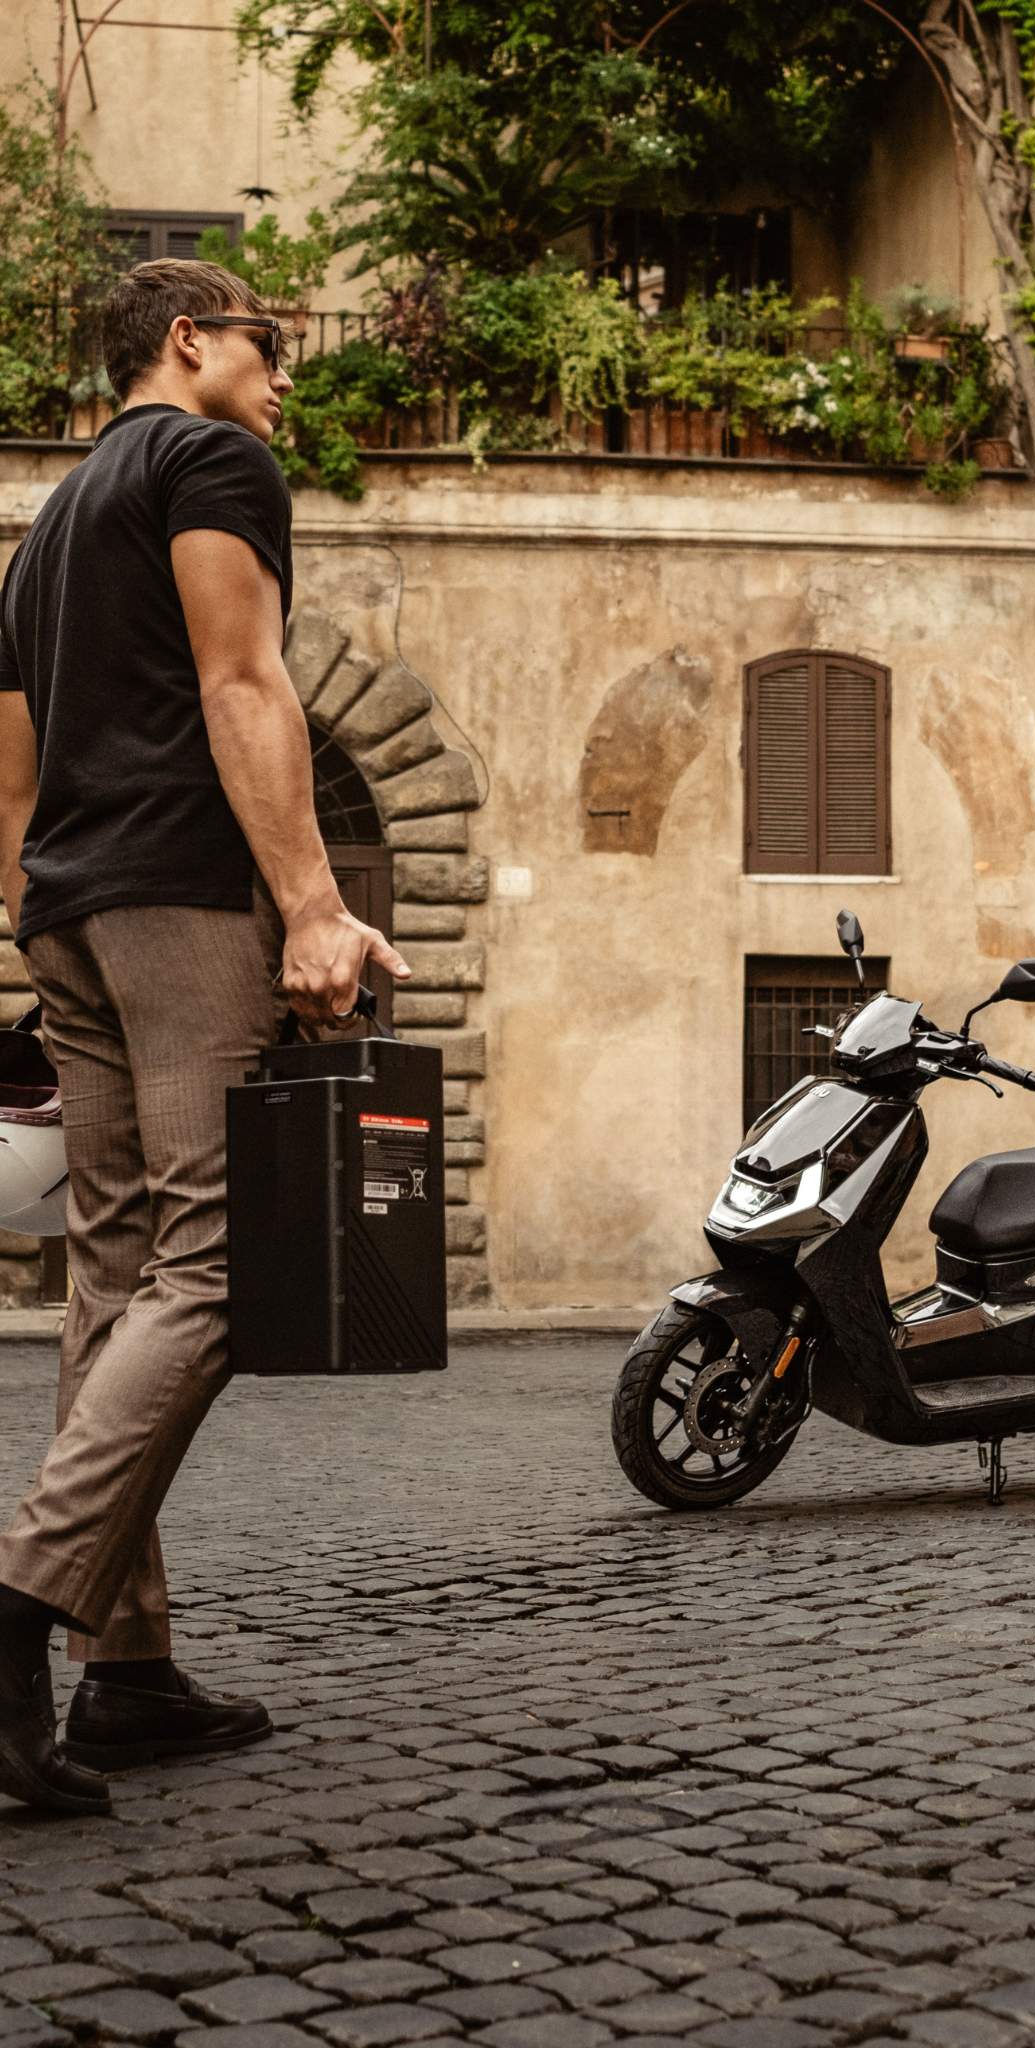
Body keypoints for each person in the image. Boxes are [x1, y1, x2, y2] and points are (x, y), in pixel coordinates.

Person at [0, 260, 409, 1812]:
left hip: (74, 919)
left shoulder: (42, 538)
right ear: (189, 339)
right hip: (181, 901)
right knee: (224, 1264)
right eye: (271, 344)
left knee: (115, 1280)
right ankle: (21, 1607)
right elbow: (246, 683)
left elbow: (9, 778)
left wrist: (50, 919)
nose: (284, 375)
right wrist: (309, 905)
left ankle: (127, 1669)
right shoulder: (210, 459)